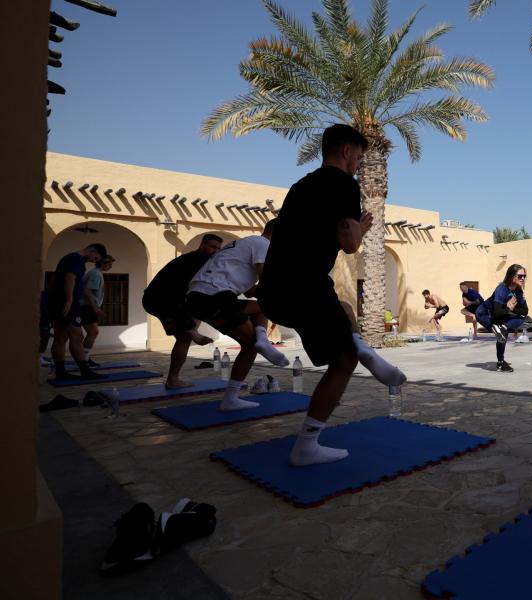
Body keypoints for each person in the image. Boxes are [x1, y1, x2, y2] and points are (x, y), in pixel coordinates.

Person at [257, 123, 406, 467]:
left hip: (275, 289)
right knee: (342, 360)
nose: (359, 164)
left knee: (343, 306)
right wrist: (361, 229)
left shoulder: (300, 186)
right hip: (304, 284)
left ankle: (363, 347)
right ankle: (306, 446)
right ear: (346, 151)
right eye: (359, 157)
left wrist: (355, 226)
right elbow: (350, 245)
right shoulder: (342, 184)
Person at [186, 221, 290, 411]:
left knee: (261, 307)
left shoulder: (245, 246)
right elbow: (267, 283)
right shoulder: (263, 244)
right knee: (250, 347)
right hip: (215, 295)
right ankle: (230, 399)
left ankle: (262, 340)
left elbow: (251, 292)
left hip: (200, 298)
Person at [142, 234, 222, 389]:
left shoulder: (200, 261)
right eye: (213, 247)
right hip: (160, 299)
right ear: (202, 245)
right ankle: (193, 333)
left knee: (183, 339)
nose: (216, 251)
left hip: (168, 301)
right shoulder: (196, 261)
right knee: (187, 334)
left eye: (218, 248)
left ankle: (173, 379)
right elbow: (186, 290)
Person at [46, 243, 108, 380]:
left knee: (61, 337)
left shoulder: (70, 257)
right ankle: (85, 371)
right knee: (77, 336)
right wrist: (69, 300)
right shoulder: (76, 259)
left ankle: (60, 372)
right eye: (96, 258)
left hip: (58, 301)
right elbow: (70, 278)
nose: (94, 261)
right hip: (67, 303)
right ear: (92, 251)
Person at [475, 264, 529, 373]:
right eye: (520, 276)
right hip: (484, 314)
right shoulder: (501, 289)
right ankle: (500, 362)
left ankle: (502, 328)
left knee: (519, 319)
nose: (523, 278)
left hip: (500, 313)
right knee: (502, 333)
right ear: (511, 276)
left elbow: (525, 311)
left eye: (524, 276)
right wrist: (508, 307)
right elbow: (497, 312)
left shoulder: (518, 291)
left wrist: (511, 309)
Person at [78, 254, 115, 367]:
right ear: (103, 263)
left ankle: (85, 358)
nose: (111, 267)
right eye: (109, 264)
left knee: (92, 332)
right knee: (93, 332)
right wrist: (95, 308)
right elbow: (87, 291)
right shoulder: (95, 274)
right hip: (86, 307)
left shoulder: (96, 273)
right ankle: (84, 359)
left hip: (88, 306)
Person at [39, 291, 52, 368]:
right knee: (45, 335)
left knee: (46, 335)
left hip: (46, 311)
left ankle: (40, 356)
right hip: (44, 313)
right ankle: (39, 356)